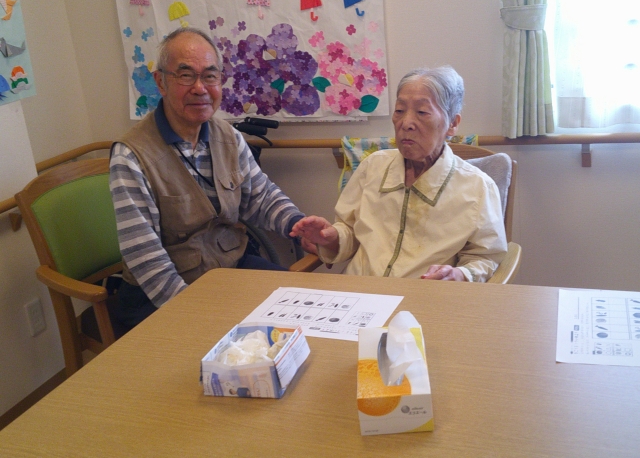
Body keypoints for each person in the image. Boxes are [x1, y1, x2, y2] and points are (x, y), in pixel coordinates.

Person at [110, 27, 307, 329]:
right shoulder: (131, 155)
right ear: (161, 82)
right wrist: (202, 317)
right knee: (233, 347)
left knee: (298, 307)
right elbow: (146, 259)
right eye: (186, 75)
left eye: (210, 76)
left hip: (228, 268)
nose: (200, 88)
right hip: (161, 295)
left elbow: (261, 197)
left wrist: (298, 225)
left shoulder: (227, 136)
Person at [290, 66, 507, 282]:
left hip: (422, 295)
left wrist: (461, 274)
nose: (406, 123)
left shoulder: (477, 187)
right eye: (400, 111)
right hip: (359, 290)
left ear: (452, 124)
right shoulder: (372, 166)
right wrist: (330, 238)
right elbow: (350, 232)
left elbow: (486, 257)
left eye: (422, 112)